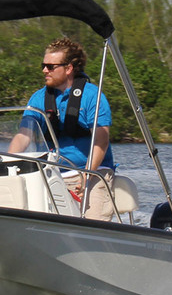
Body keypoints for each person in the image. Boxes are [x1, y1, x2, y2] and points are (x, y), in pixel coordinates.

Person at [7, 37, 116, 220]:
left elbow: (101, 141)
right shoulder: (38, 99)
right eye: (43, 65)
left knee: (91, 223)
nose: (44, 70)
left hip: (92, 173)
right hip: (52, 174)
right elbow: (23, 137)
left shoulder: (92, 96)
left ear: (68, 69)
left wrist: (86, 175)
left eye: (50, 67)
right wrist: (7, 165)